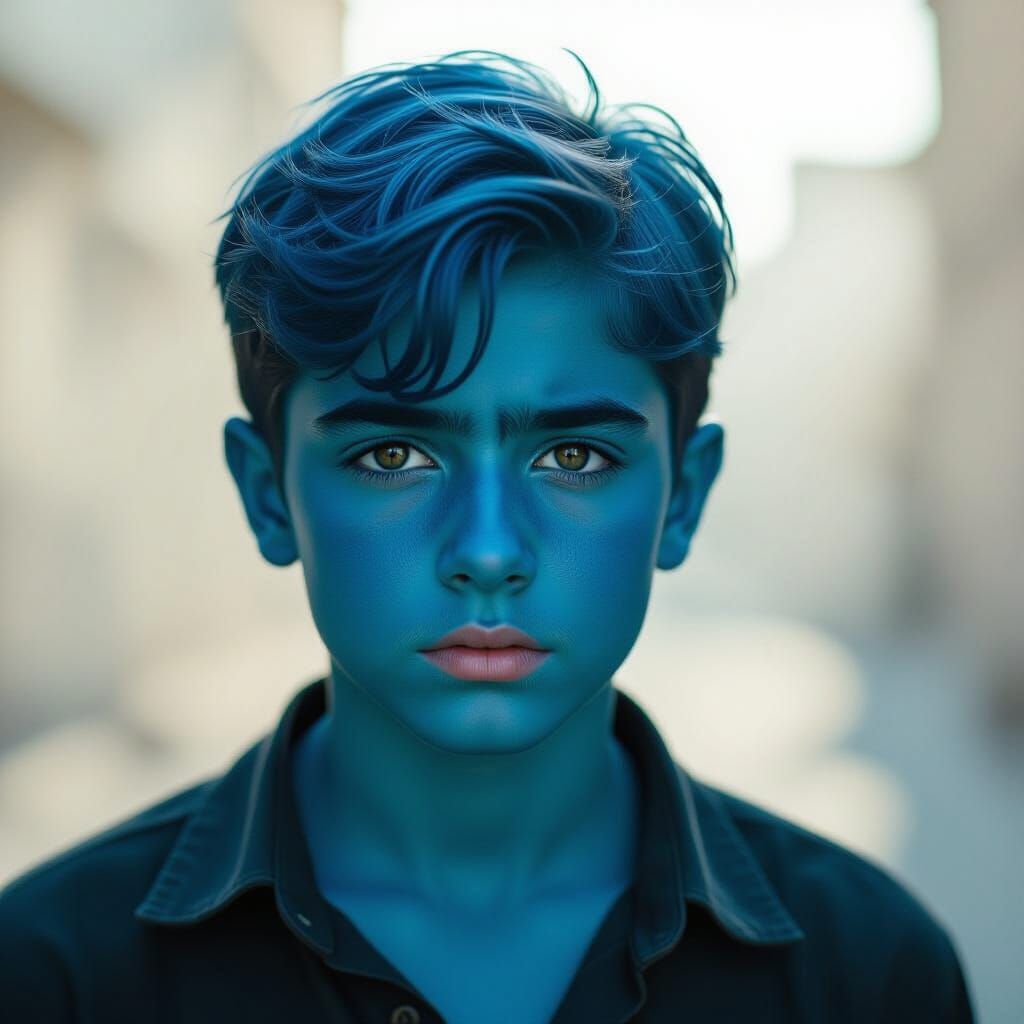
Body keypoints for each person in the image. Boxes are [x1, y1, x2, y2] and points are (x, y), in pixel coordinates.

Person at [0, 48, 975, 1023]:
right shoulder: (56, 978)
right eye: (393, 455)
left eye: (573, 457)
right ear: (268, 495)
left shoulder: (869, 976)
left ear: (682, 496)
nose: (489, 551)